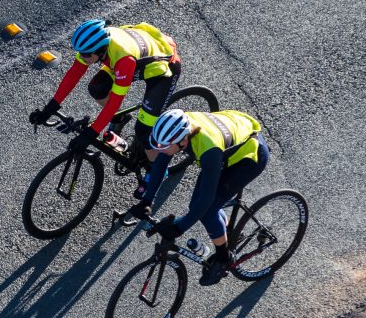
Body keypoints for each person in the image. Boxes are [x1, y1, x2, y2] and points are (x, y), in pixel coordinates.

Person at [29, 19, 182, 197]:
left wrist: (91, 133)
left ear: (100, 50)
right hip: (134, 56)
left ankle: (156, 170)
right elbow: (73, 74)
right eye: (80, 52)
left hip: (162, 71)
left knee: (143, 130)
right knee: (97, 88)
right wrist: (50, 108)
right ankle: (119, 119)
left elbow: (115, 101)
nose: (82, 56)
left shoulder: (124, 60)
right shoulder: (95, 47)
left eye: (86, 54)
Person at [129, 108, 269, 286]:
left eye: (165, 146)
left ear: (183, 141)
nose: (161, 150)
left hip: (249, 157)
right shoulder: (178, 130)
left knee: (206, 210)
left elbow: (206, 200)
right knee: (198, 206)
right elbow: (159, 164)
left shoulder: (209, 150)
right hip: (232, 135)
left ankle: (223, 258)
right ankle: (227, 232)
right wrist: (147, 200)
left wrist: (179, 228)